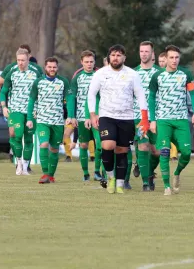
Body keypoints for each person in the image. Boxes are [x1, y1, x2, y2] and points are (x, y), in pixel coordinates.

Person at [88, 44, 149, 194]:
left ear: (124, 58)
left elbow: (140, 95)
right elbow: (91, 94)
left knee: (122, 150)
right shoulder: (100, 74)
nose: (116, 58)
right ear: (109, 57)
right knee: (108, 145)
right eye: (113, 55)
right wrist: (93, 114)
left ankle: (120, 183)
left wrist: (144, 118)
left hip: (127, 117)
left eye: (119, 55)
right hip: (107, 115)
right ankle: (110, 177)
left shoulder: (132, 74)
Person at [148, 45, 194, 195]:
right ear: (166, 58)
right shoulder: (157, 76)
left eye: (177, 57)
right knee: (164, 151)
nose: (174, 60)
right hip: (163, 119)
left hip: (181, 119)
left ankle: (177, 173)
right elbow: (151, 98)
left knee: (186, 153)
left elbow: (193, 94)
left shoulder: (186, 74)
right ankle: (166, 187)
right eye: (171, 57)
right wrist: (152, 120)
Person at [0, 44, 41, 173]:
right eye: (18, 60)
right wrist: (3, 106)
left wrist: (40, 108)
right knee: (17, 135)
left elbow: (42, 90)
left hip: (32, 111)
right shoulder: (12, 71)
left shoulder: (36, 71)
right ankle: (18, 162)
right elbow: (3, 91)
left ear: (28, 59)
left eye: (23, 60)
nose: (20, 63)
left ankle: (25, 166)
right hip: (16, 109)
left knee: (29, 138)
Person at [27, 57, 73, 183]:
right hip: (42, 120)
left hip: (57, 121)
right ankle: (45, 174)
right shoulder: (38, 82)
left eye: (54, 67)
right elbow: (31, 101)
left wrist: (70, 115)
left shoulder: (63, 81)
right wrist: (30, 118)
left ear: (57, 68)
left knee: (54, 149)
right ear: (45, 68)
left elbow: (69, 99)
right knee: (44, 144)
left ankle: (51, 175)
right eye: (49, 67)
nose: (52, 69)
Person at [129, 41, 162, 191]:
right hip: (138, 117)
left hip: (156, 117)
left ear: (152, 54)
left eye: (146, 51)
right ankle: (145, 183)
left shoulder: (160, 73)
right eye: (141, 51)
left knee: (157, 151)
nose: (144, 54)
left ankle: (148, 172)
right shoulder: (133, 73)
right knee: (143, 146)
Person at [67, 50, 103, 182]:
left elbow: (101, 97)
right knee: (83, 145)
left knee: (100, 144)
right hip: (82, 117)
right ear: (81, 62)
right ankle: (86, 173)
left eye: (91, 62)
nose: (89, 64)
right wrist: (71, 115)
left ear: (94, 62)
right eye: (86, 62)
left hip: (98, 116)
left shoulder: (99, 76)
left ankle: (98, 172)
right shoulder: (77, 77)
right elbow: (71, 96)